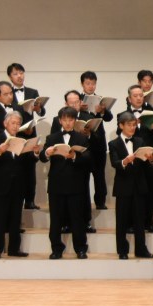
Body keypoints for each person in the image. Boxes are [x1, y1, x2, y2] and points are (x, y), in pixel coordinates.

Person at [40, 105, 92, 259]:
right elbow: (42, 158)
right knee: (56, 219)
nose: (68, 123)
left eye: (71, 119)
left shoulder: (82, 138)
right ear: (60, 121)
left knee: (77, 219)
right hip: (56, 185)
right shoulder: (52, 138)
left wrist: (74, 157)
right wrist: (47, 152)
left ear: (75, 121)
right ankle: (56, 249)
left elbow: (88, 158)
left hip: (76, 184)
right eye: (65, 120)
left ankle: (80, 248)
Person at [0, 110, 36, 258]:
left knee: (16, 218)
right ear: (5, 123)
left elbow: (29, 161)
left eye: (18, 123)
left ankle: (14, 249)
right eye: (13, 123)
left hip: (19, 184)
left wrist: (35, 153)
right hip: (2, 184)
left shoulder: (22, 139)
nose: (15, 126)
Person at [109, 111, 153, 259]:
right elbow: (114, 163)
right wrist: (125, 161)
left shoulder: (140, 141)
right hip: (123, 187)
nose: (132, 128)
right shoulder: (113, 143)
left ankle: (141, 249)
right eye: (129, 125)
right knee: (121, 220)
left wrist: (151, 159)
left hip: (139, 186)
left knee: (139, 220)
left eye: (134, 125)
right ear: (121, 126)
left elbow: (146, 166)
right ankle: (122, 251)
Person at [6, 63, 45, 210]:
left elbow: (41, 112)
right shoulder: (7, 93)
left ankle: (30, 201)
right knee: (15, 168)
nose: (19, 76)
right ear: (10, 76)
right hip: (14, 135)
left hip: (30, 134)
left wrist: (38, 108)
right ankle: (16, 201)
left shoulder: (32, 91)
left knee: (30, 169)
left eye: (21, 73)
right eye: (15, 73)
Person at [126, 83, 153, 231]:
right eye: (135, 96)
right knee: (133, 192)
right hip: (133, 159)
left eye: (141, 95)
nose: (138, 98)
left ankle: (149, 222)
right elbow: (120, 134)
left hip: (149, 158)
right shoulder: (123, 115)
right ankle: (131, 223)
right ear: (129, 98)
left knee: (150, 191)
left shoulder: (151, 112)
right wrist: (134, 125)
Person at [78, 70, 113, 210]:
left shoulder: (100, 99)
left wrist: (102, 111)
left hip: (99, 142)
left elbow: (109, 118)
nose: (91, 86)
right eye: (88, 83)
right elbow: (70, 115)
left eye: (93, 83)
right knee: (83, 175)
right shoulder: (78, 100)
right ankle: (83, 203)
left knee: (99, 174)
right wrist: (78, 108)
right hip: (83, 142)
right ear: (82, 84)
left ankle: (100, 201)